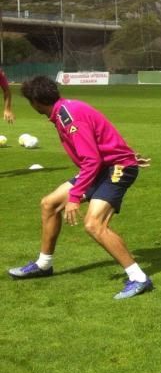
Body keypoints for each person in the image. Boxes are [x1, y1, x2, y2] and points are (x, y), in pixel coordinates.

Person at [8, 76, 153, 300]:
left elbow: (91, 159)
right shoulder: (65, 110)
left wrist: (75, 196)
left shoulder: (68, 116)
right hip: (102, 167)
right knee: (50, 204)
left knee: (94, 224)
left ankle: (139, 278)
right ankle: (44, 264)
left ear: (36, 102)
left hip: (115, 168)